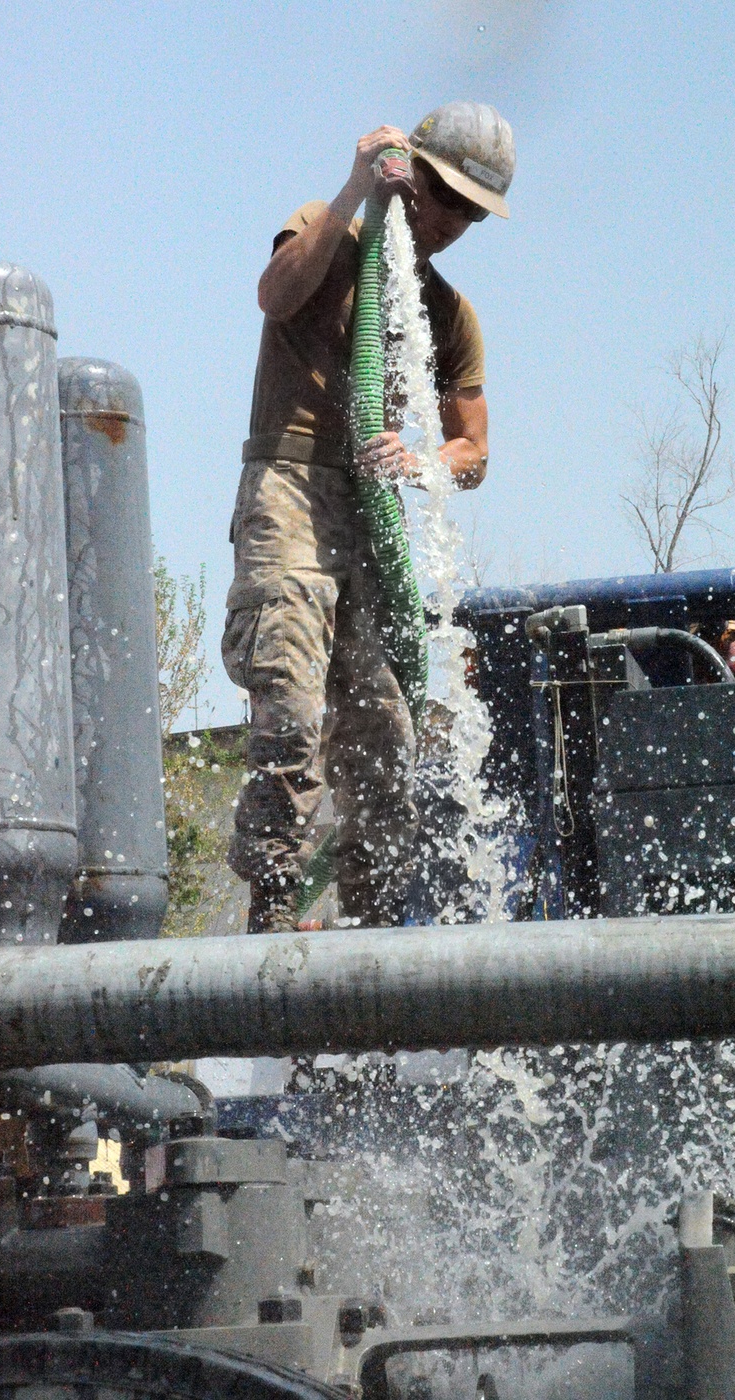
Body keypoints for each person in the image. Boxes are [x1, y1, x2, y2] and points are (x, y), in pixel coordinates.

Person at [222, 102, 515, 932]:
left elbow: (475, 451)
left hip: (371, 505)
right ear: (408, 172)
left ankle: (369, 944)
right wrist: (355, 187)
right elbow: (273, 298)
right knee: (289, 701)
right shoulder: (325, 230)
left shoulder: (450, 315)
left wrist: (423, 463)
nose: (452, 221)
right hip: (290, 484)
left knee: (387, 739)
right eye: (444, 195)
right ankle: (273, 912)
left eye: (470, 211)